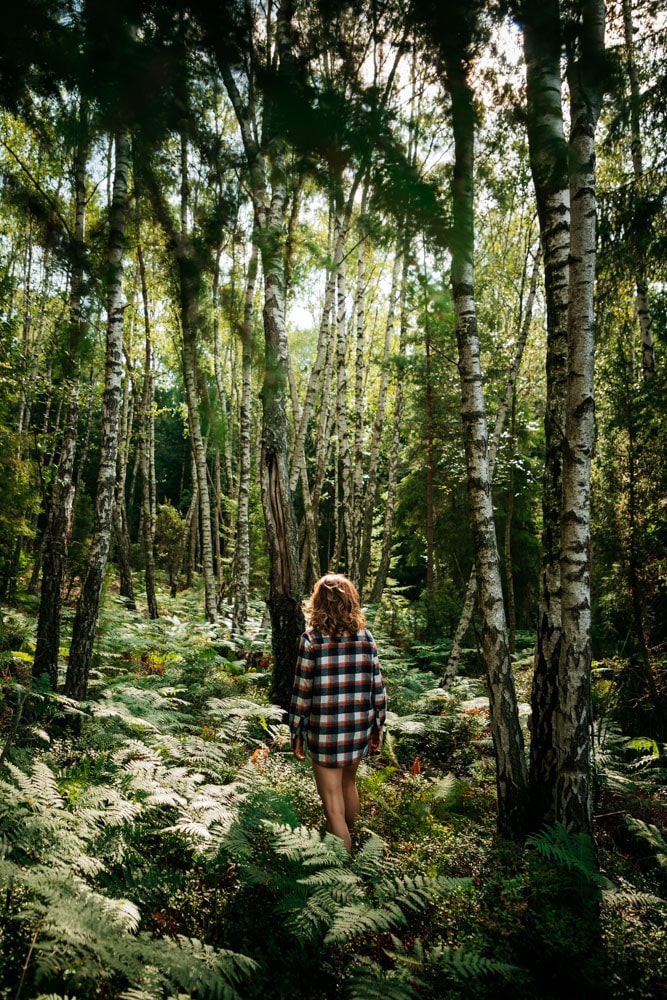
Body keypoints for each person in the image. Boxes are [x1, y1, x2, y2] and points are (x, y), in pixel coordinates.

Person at [289, 573, 387, 851]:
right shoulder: (365, 638)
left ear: (318, 603)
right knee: (348, 785)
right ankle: (353, 842)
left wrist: (296, 732)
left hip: (325, 733)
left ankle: (342, 870)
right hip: (357, 729)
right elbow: (377, 688)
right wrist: (378, 726)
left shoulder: (311, 641)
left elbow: (301, 692)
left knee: (332, 803)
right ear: (350, 602)